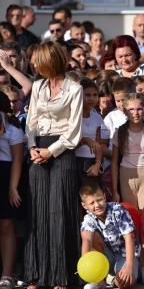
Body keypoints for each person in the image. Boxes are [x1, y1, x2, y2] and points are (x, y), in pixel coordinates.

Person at [24, 41, 83, 288]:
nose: (34, 64)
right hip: (38, 150)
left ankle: (62, 276)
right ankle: (36, 274)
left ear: (51, 61)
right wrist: (32, 148)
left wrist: (51, 151)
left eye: (39, 60)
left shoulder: (75, 89)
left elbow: (74, 130)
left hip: (63, 151)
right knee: (37, 213)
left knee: (60, 213)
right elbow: (31, 121)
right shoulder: (37, 86)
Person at [111, 94, 144, 283]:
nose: (135, 113)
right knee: (131, 223)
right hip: (126, 174)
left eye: (139, 108)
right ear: (124, 111)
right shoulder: (120, 132)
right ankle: (133, 265)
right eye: (131, 109)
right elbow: (114, 161)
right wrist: (115, 189)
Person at [80, 183, 140, 289]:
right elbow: (87, 241)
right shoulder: (88, 218)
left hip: (127, 255)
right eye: (92, 203)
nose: (97, 205)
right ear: (84, 205)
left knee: (124, 283)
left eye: (99, 200)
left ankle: (111, 279)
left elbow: (129, 237)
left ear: (104, 196)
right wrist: (88, 269)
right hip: (109, 255)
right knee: (91, 237)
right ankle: (98, 280)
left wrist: (129, 266)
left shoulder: (117, 209)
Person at [0, 91, 24, 289]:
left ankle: (7, 273)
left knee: (6, 226)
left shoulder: (12, 129)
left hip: (4, 174)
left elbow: (17, 160)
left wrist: (13, 187)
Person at [76, 78, 105, 181]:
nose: (92, 99)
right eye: (87, 95)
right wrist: (85, 140)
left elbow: (99, 144)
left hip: (92, 163)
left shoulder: (97, 117)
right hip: (75, 161)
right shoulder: (73, 116)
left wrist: (97, 164)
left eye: (95, 95)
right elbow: (68, 144)